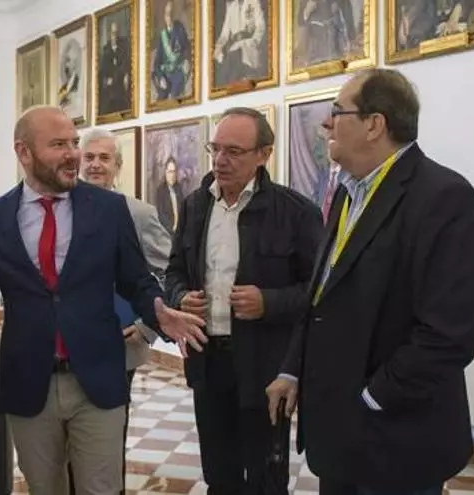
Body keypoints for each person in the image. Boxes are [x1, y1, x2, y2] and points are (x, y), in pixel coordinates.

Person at [0, 105, 206, 495]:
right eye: (59, 145)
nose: (73, 154)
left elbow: (137, 281)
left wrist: (158, 311)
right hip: (29, 381)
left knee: (100, 489)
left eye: (74, 143)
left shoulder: (109, 210)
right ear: (24, 152)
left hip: (97, 379)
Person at [266, 68, 474, 495]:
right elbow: (323, 296)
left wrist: (370, 398)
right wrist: (293, 369)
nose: (326, 123)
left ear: (374, 124)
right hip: (339, 439)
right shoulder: (347, 192)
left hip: (396, 441)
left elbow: (449, 335)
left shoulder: (444, 198)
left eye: (337, 112)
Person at [165, 107, 323, 495]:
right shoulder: (195, 205)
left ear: (264, 154)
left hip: (265, 367)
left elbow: (320, 292)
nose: (220, 160)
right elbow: (174, 271)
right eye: (215, 148)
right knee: (220, 475)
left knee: (267, 479)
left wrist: (269, 301)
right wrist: (181, 297)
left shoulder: (296, 212)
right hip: (208, 362)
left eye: (233, 151)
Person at [72, 127, 173, 493]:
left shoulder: (139, 214)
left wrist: (147, 325)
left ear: (118, 165)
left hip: (119, 345)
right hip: (64, 346)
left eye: (104, 158)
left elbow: (171, 271)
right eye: (89, 157)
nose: (95, 165)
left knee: (107, 441)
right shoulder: (58, 209)